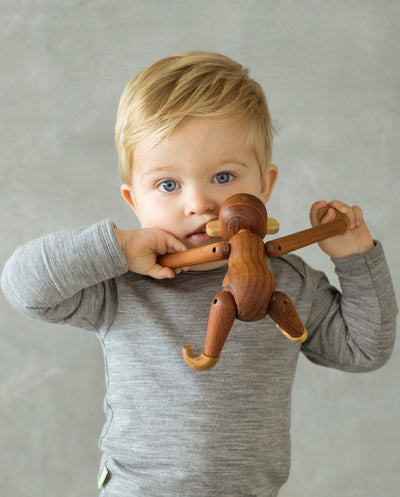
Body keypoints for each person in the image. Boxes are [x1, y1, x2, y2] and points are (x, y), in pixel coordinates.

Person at [1, 51, 397, 497]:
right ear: (135, 200)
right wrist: (115, 246)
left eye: (224, 176)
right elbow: (23, 287)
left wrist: (355, 257)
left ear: (264, 185)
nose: (199, 204)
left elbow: (365, 349)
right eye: (168, 185)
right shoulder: (123, 284)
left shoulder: (288, 280)